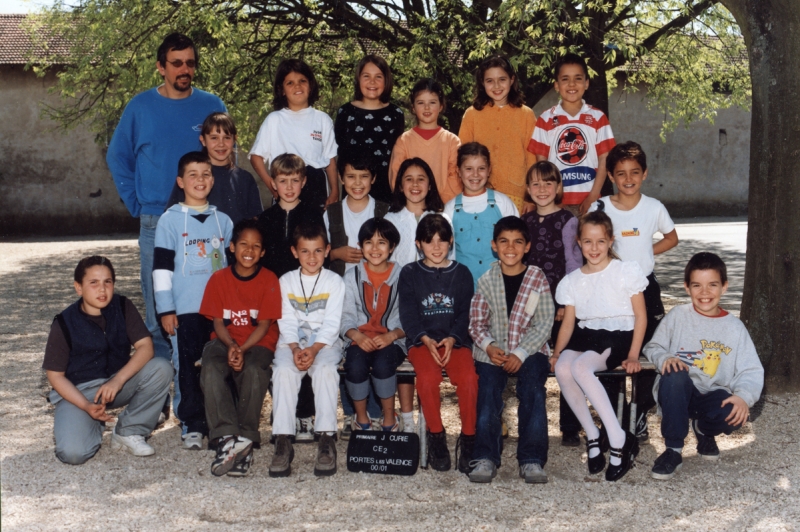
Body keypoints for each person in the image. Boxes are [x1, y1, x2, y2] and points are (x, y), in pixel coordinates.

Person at [106, 32, 226, 362]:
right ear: (161, 67)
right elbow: (117, 157)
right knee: (159, 307)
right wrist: (137, 202)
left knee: (204, 305)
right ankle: (157, 395)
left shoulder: (211, 105)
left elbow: (225, 157)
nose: (183, 69)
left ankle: (200, 395)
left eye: (189, 62)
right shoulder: (140, 107)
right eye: (176, 63)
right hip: (156, 220)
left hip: (202, 221)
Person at [589, 140, 679, 443]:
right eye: (621, 174)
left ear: (645, 174)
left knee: (651, 348)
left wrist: (646, 252)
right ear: (611, 177)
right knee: (611, 348)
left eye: (635, 173)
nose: (628, 179)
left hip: (645, 287)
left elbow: (672, 237)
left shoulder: (654, 207)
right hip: (610, 289)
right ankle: (613, 413)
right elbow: (590, 242)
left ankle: (639, 411)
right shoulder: (600, 208)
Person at [645, 253, 763, 480]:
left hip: (712, 394)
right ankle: (673, 449)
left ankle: (704, 429)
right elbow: (653, 347)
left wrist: (743, 396)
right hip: (678, 392)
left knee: (732, 410)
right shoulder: (678, 316)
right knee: (676, 374)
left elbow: (751, 369)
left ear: (724, 287)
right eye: (697, 285)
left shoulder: (735, 327)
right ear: (687, 287)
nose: (705, 292)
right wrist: (665, 358)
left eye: (712, 285)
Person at [43, 256, 172, 465]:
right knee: (73, 454)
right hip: (79, 392)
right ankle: (90, 421)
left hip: (116, 385)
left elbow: (146, 347)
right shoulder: (64, 322)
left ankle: (129, 430)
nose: (102, 289)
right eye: (93, 283)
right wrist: (85, 406)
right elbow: (55, 376)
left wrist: (117, 380)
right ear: (79, 287)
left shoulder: (122, 306)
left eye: (108, 282)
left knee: (161, 368)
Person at [552, 211, 647, 482]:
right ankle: (593, 435)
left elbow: (640, 316)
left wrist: (632, 354)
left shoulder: (625, 271)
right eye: (588, 242)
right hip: (587, 333)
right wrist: (558, 353)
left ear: (611, 242)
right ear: (579, 243)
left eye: (600, 242)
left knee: (581, 367)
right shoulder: (572, 280)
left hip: (618, 335)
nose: (594, 248)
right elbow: (569, 324)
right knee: (563, 368)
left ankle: (618, 438)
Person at [153, 151, 234, 450]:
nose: (200, 180)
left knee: (219, 364)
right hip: (184, 309)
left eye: (205, 174)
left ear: (212, 180)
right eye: (193, 175)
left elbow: (231, 270)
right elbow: (161, 269)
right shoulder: (169, 221)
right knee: (188, 366)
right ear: (180, 181)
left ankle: (221, 421)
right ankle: (192, 423)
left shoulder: (222, 221)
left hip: (218, 311)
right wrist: (166, 310)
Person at [467, 217, 555, 484]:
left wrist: (521, 352)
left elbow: (544, 322)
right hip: (493, 352)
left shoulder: (537, 278)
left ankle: (531, 460)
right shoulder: (486, 280)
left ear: (527, 246)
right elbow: (476, 322)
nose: (511, 247)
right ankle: (485, 457)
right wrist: (489, 347)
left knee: (532, 389)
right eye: (504, 241)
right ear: (494, 246)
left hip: (530, 351)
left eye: (518, 242)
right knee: (488, 390)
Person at [199, 219, 282, 477]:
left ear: (263, 252)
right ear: (232, 247)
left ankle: (245, 439)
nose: (249, 250)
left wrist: (243, 349)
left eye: (256, 246)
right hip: (225, 340)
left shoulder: (269, 279)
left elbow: (264, 325)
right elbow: (217, 322)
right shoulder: (219, 279)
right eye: (243, 244)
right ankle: (226, 438)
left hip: (257, 342)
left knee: (255, 370)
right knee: (211, 366)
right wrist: (232, 346)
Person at [398, 214, 477, 473]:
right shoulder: (409, 272)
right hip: (423, 342)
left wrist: (454, 338)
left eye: (442, 241)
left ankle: (468, 438)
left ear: (451, 241)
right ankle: (436, 436)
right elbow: (408, 313)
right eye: (429, 241)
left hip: (456, 341)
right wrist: (424, 338)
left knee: (468, 379)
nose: (436, 247)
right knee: (428, 379)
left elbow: (466, 312)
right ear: (418, 243)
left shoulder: (462, 272)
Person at [256, 153, 324, 442]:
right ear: (273, 183)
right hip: (274, 297)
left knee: (305, 351)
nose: (289, 187)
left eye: (295, 181)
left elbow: (319, 254)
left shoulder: (312, 215)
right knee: (281, 353)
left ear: (304, 182)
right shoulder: (265, 218)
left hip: (305, 296)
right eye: (283, 181)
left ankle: (305, 415)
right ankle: (283, 412)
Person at [269, 222, 345, 478]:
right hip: (292, 343)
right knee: (283, 371)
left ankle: (325, 437)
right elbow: (286, 320)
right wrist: (293, 348)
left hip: (324, 343)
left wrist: (312, 349)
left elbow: (333, 323)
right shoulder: (286, 281)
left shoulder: (334, 281)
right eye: (305, 251)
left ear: (327, 251)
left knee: (324, 370)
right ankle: (282, 439)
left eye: (317, 251)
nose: (311, 258)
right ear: (294, 252)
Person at [323, 155, 390, 437]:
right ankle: (353, 413)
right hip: (341, 293)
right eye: (351, 177)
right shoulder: (331, 212)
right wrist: (334, 253)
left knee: (375, 349)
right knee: (347, 349)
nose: (357, 183)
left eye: (364, 177)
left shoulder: (385, 210)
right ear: (340, 179)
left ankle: (375, 413)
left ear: (373, 179)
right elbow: (318, 249)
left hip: (377, 293)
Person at [520, 161, 582, 446]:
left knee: (565, 360)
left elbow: (573, 265)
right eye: (535, 184)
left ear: (558, 188)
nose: (542, 189)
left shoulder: (568, 221)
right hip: (531, 305)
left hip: (560, 305)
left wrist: (566, 304)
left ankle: (569, 426)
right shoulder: (525, 222)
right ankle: (531, 423)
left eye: (548, 183)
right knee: (533, 361)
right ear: (528, 189)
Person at [341, 218, 408, 433]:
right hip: (359, 339)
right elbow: (345, 316)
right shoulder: (351, 277)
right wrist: (356, 336)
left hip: (392, 339)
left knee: (382, 365)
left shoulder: (404, 277)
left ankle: (389, 418)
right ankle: (362, 419)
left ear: (392, 247)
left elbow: (411, 317)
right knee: (355, 365)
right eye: (368, 242)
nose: (375, 248)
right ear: (361, 246)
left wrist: (392, 336)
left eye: (382, 242)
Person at [528, 53, 615, 215]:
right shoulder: (545, 119)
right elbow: (542, 165)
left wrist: (593, 196)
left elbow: (605, 159)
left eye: (578, 78)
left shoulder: (598, 118)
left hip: (590, 201)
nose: (572, 84)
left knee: (590, 240)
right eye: (565, 79)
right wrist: (551, 198)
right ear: (556, 85)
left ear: (587, 83)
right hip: (555, 204)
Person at [249, 59, 338, 211]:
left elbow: (329, 159)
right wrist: (273, 186)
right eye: (290, 83)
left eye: (302, 81)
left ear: (310, 85)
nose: (297, 86)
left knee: (315, 233)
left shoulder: (322, 119)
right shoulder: (274, 120)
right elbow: (256, 157)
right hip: (286, 185)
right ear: (282, 90)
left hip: (316, 186)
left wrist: (335, 190)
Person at [458, 55, 537, 212]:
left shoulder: (526, 115)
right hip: (480, 193)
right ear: (482, 83)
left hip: (516, 194)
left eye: (502, 79)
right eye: (490, 81)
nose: (496, 86)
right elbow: (461, 157)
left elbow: (532, 157)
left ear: (512, 80)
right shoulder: (472, 114)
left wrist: (530, 196)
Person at [166, 112, 263, 225]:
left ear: (234, 139)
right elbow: (172, 217)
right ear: (203, 140)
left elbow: (255, 222)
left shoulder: (245, 178)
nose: (220, 144)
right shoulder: (192, 176)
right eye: (214, 138)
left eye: (226, 138)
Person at [444, 142, 519, 287]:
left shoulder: (502, 202)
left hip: (499, 285)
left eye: (481, 169)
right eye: (469, 169)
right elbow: (448, 253)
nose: (475, 175)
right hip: (463, 285)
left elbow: (517, 242)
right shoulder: (450, 208)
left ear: (489, 170)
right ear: (458, 171)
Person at [334, 54, 405, 204]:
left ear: (386, 81)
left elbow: (396, 156)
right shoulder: (345, 112)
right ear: (358, 79)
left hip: (384, 191)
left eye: (378, 77)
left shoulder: (395, 114)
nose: (372, 82)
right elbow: (339, 153)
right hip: (354, 188)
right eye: (366, 76)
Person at [388, 79, 461, 203]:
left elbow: (456, 178)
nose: (427, 107)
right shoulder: (404, 141)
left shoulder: (452, 141)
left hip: (443, 208)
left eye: (432, 102)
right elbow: (396, 175)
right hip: (411, 206)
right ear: (413, 108)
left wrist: (438, 204)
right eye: (420, 103)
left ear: (441, 106)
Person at [384, 157, 447, 267]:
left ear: (430, 185)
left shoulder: (443, 219)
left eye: (421, 179)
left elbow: (450, 258)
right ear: (400, 186)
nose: (415, 184)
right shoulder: (390, 220)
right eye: (409, 179)